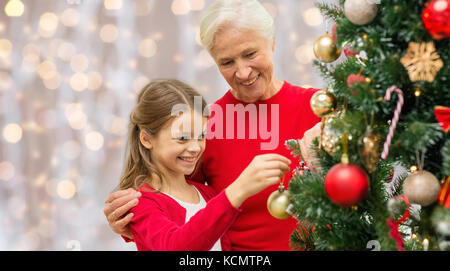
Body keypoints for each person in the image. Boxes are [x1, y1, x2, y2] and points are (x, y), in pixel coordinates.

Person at [104, 0, 322, 251]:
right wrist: (130, 221)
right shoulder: (206, 126)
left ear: (272, 42)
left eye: (250, 54)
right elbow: (180, 205)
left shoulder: (320, 108)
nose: (242, 72)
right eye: (227, 62)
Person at [119, 79, 291, 250]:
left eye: (201, 136)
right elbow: (176, 246)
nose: (195, 148)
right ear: (146, 139)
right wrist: (238, 190)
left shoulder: (208, 194)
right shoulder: (140, 203)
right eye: (183, 138)